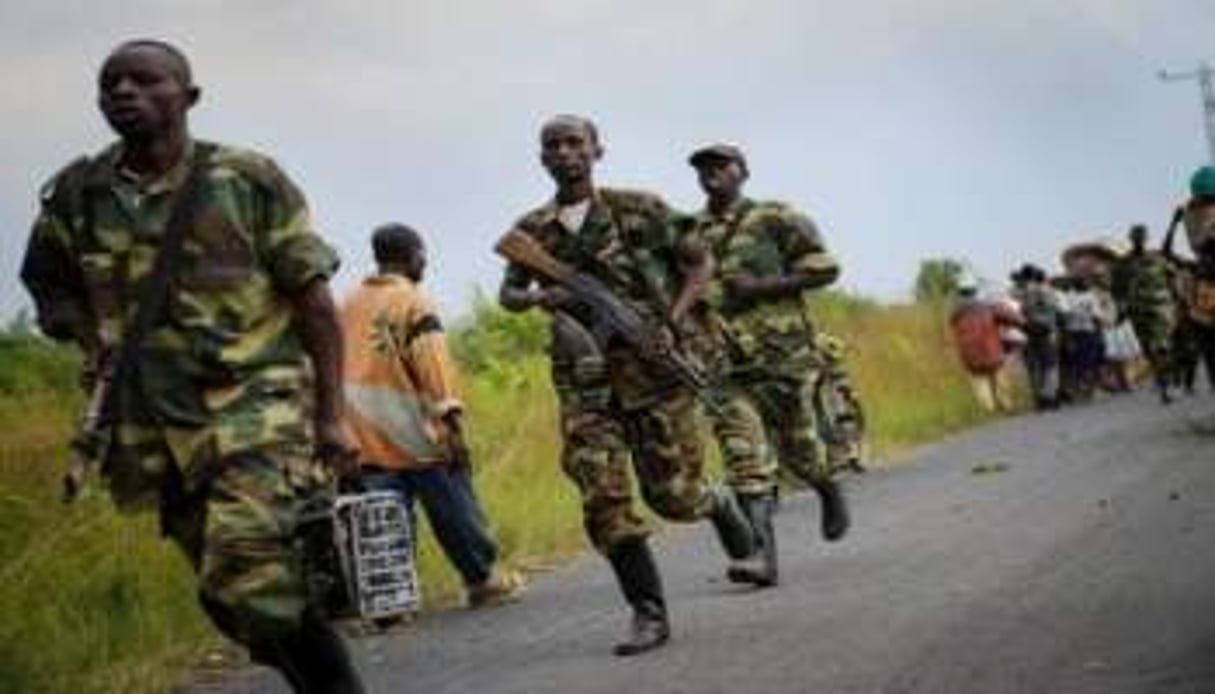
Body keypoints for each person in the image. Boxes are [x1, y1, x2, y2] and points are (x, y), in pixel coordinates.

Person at [19, 41, 363, 692]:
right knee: (228, 596)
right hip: (151, 425)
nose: (123, 91)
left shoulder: (246, 179)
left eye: (144, 80)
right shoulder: (77, 194)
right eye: (110, 83)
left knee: (248, 567)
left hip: (255, 408)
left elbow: (315, 304)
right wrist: (86, 333)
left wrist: (333, 417)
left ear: (188, 96)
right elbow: (48, 284)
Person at [497, 116, 754, 656]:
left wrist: (672, 321)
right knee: (604, 499)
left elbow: (700, 262)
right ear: (541, 157)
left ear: (597, 151)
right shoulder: (533, 228)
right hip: (585, 380)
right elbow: (510, 293)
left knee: (674, 497)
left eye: (575, 143)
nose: (565, 153)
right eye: (553, 145)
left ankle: (719, 503)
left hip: (654, 372)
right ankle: (647, 612)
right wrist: (546, 297)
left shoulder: (641, 208)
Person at [678, 143, 851, 589]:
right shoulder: (688, 232)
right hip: (721, 362)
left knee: (801, 453)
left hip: (782, 357)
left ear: (743, 171)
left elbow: (825, 267)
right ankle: (762, 559)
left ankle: (827, 487)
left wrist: (764, 286)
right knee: (743, 456)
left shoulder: (776, 218)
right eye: (703, 168)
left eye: (720, 165)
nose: (711, 173)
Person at [341, 224, 524, 611]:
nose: (425, 261)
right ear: (412, 255)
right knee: (455, 511)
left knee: (384, 523)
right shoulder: (413, 302)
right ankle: (484, 581)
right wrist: (452, 425)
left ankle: (389, 603)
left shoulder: (349, 304)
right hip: (416, 431)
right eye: (422, 254)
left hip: (362, 432)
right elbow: (433, 365)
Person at [1112, 224, 1177, 403]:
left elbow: (1172, 278)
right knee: (1149, 349)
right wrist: (1120, 311)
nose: (1139, 239)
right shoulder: (1123, 263)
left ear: (1146, 238)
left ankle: (1165, 385)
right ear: (1131, 239)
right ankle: (1162, 381)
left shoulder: (1157, 258)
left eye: (1141, 236)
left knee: (1161, 346)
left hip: (1161, 308)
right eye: (1136, 237)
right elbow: (1116, 290)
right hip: (1137, 311)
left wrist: (1179, 300)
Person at [948, 280, 1023, 413]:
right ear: (975, 292)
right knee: (999, 375)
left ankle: (988, 409)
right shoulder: (988, 307)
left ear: (960, 293)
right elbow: (1013, 319)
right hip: (991, 349)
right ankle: (1006, 405)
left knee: (979, 380)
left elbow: (954, 329)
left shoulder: (955, 313)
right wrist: (1020, 323)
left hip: (970, 353)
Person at [1012, 264, 1063, 410]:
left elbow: (1018, 311)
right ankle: (1050, 396)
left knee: (1034, 367)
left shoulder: (1019, 293)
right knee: (1051, 366)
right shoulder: (1044, 290)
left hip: (1028, 331)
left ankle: (1039, 398)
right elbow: (1056, 309)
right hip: (1046, 331)